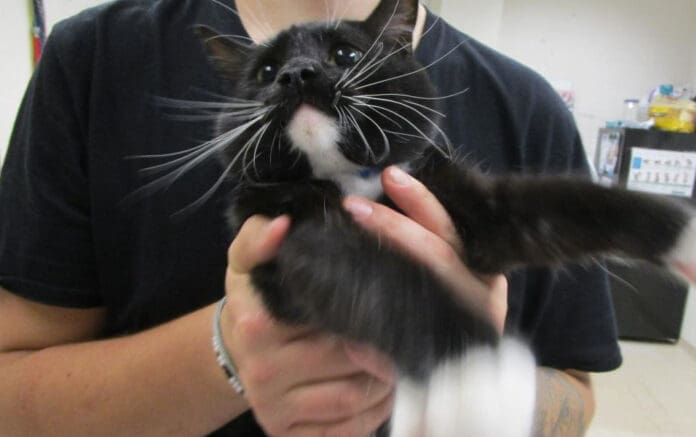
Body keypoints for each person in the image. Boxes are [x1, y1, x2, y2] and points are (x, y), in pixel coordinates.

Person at [0, 0, 622, 435]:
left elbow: (576, 394)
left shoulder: (527, 108)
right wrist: (224, 353)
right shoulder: (93, 61)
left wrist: (474, 390)